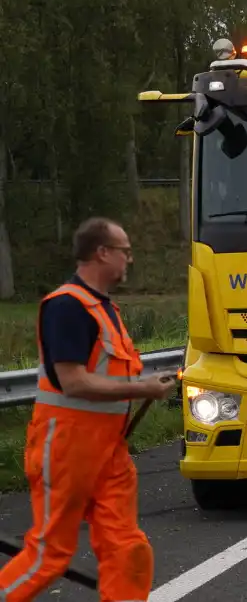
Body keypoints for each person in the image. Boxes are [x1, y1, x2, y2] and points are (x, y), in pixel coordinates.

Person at [0, 217, 174, 602]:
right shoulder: (67, 306)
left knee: (127, 548)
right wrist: (142, 387)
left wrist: (146, 384)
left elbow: (107, 372)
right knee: (49, 555)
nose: (129, 259)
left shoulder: (103, 308)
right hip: (65, 448)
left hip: (108, 452)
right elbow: (73, 382)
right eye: (125, 251)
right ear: (103, 252)